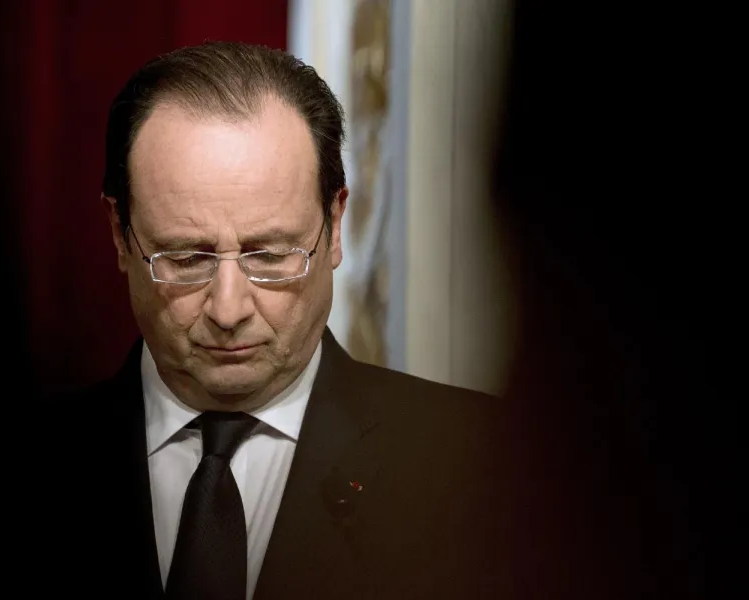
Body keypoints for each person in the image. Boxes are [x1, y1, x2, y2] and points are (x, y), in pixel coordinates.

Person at [56, 41, 531, 599]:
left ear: (335, 224)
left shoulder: (485, 468)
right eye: (185, 259)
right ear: (120, 235)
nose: (228, 310)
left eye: (270, 255)